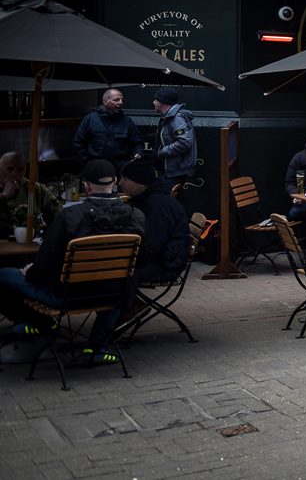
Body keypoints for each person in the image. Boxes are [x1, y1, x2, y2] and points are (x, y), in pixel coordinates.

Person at [0, 160, 145, 362]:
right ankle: (97, 348)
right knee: (115, 281)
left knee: (4, 275)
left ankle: (40, 323)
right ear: (114, 183)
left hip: (66, 295)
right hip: (114, 294)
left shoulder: (69, 216)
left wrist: (29, 272)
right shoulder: (136, 216)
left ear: (86, 186)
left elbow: (44, 264)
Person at [88, 159, 189, 346]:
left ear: (140, 182)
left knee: (119, 272)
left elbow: (153, 245)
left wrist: (124, 256)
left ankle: (124, 310)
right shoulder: (149, 200)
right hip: (160, 259)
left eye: (126, 178)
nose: (120, 183)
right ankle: (121, 311)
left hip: (165, 265)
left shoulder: (157, 205)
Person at [72, 88, 143, 171]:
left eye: (121, 100)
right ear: (105, 101)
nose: (120, 102)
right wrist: (87, 164)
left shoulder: (127, 121)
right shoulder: (90, 120)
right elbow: (78, 144)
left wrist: (138, 153)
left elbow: (138, 143)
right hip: (95, 170)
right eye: (116, 100)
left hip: (120, 171)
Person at [0, 151, 60, 239]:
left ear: (25, 170)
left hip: (30, 244)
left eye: (20, 170)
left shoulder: (35, 189)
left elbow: (58, 212)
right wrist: (4, 196)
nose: (14, 173)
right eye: (10, 169)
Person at [152, 88, 197, 184]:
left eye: (156, 99)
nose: (153, 102)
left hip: (175, 172)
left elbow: (184, 143)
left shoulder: (176, 118)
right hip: (170, 170)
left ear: (162, 102)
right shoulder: (169, 116)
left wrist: (162, 152)